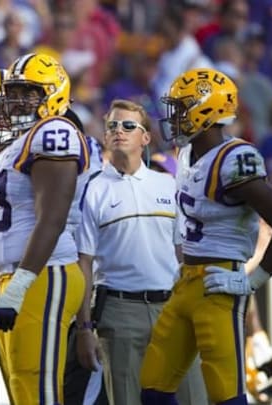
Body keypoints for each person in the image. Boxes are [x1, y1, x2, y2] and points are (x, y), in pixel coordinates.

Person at [139, 68, 272, 404]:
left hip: (220, 284)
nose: (174, 116)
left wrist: (251, 281)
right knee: (153, 386)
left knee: (225, 393)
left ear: (205, 111)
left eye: (181, 108)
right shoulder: (188, 153)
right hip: (187, 281)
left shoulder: (235, 159)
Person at [75, 99, 207, 405]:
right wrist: (84, 329)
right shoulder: (92, 190)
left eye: (129, 125)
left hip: (173, 309)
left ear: (145, 137)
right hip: (119, 312)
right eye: (112, 125)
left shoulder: (168, 184)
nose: (119, 130)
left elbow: (184, 254)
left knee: (194, 398)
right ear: (105, 136)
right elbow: (84, 262)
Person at [0, 52, 90, 405]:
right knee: (22, 389)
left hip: (46, 273)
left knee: (39, 389)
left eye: (29, 93)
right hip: (21, 275)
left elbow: (53, 217)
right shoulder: (22, 139)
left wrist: (19, 287)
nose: (17, 101)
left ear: (53, 93)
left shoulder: (55, 131)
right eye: (14, 92)